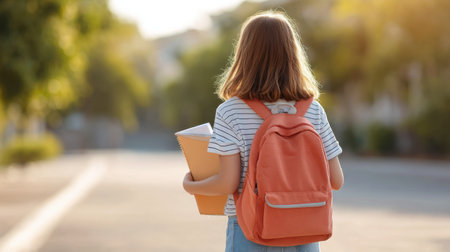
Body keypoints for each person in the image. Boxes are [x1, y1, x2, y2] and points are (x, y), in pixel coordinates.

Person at [182, 10, 344, 252]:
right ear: (293, 54)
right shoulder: (313, 110)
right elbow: (336, 180)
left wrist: (191, 185)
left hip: (251, 229)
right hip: (305, 229)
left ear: (244, 55)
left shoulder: (231, 111)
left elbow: (228, 183)